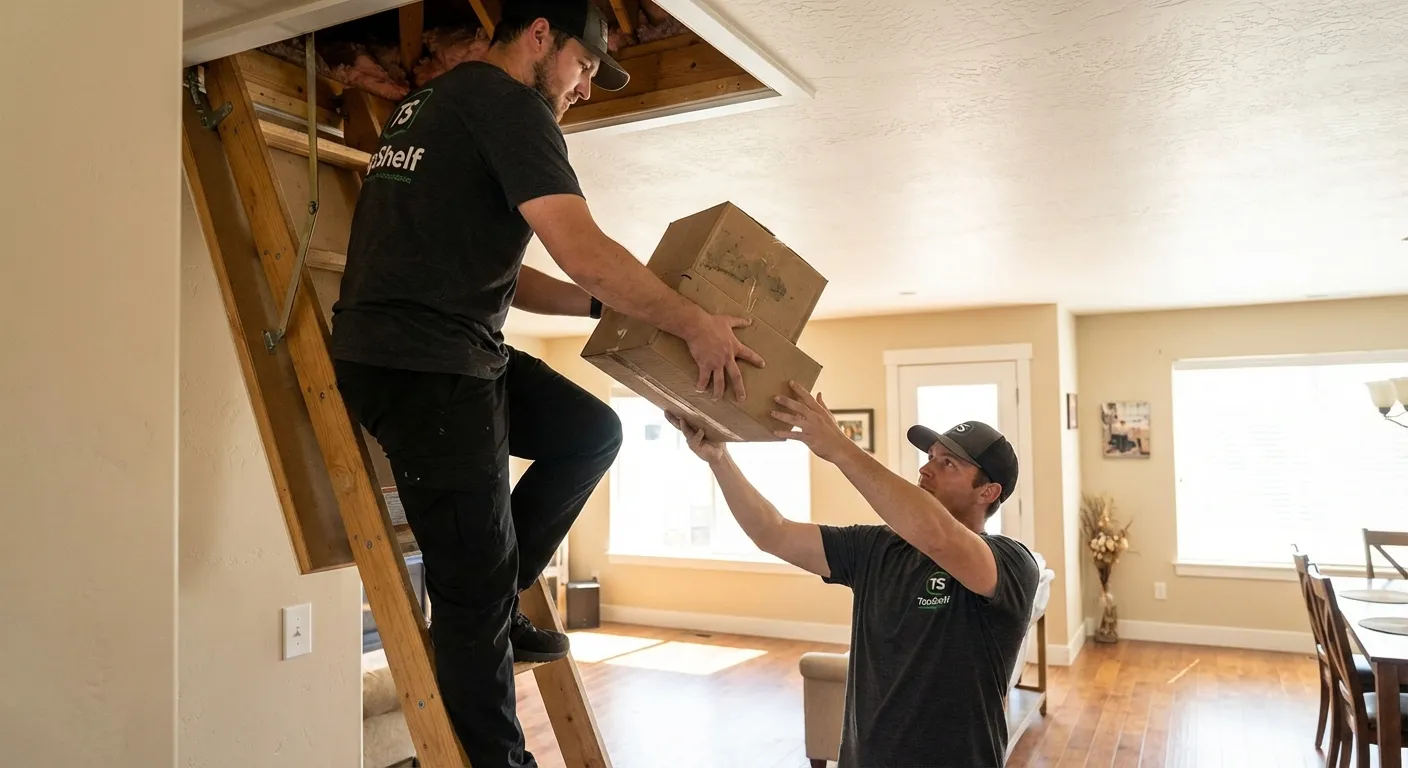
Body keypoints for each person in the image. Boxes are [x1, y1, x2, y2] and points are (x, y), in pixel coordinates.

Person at [328, 1, 765, 765]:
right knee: (471, 586)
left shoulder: (437, 103)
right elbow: (582, 248)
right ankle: (501, 751)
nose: (585, 88)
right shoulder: (511, 107)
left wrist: (604, 306)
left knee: (591, 431)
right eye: (585, 66)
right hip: (424, 366)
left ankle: (499, 606)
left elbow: (517, 275)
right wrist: (693, 321)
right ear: (539, 36)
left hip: (454, 348)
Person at [667, 383, 1040, 768]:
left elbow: (940, 537)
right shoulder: (877, 548)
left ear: (988, 492)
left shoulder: (1011, 564)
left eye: (948, 464)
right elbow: (772, 532)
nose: (926, 468)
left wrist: (840, 448)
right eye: (930, 456)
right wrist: (719, 459)